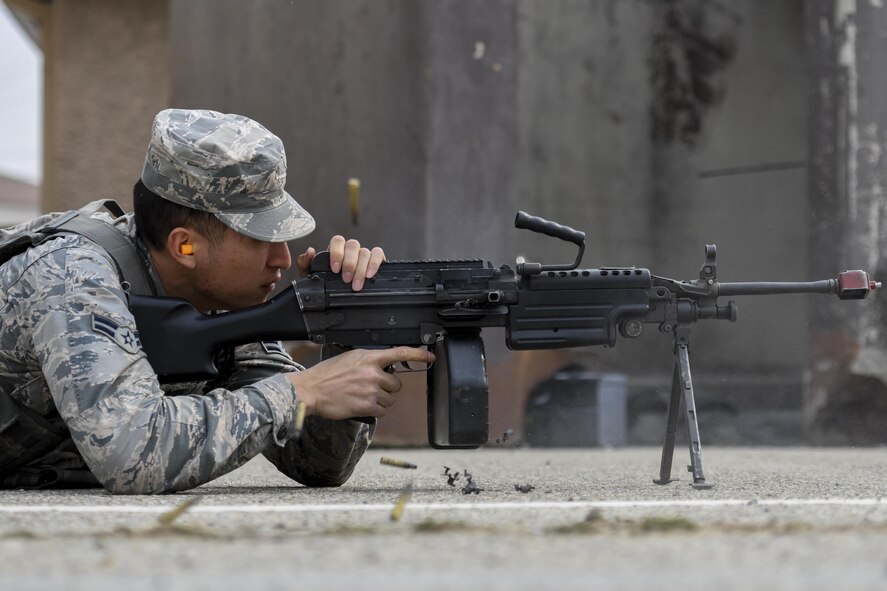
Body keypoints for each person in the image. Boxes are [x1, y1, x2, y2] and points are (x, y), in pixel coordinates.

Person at [0, 108, 433, 493]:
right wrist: (301, 391)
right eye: (260, 239)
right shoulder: (71, 276)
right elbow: (131, 454)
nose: (282, 257)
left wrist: (346, 328)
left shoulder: (219, 299)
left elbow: (315, 462)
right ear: (185, 246)